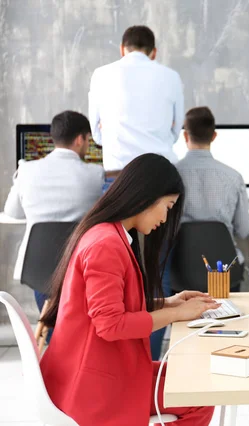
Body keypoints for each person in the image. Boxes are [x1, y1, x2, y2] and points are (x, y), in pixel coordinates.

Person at [39, 154, 217, 426]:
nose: (165, 217)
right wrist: (177, 315)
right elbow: (110, 324)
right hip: (94, 386)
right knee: (200, 393)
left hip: (96, 372)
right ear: (147, 196)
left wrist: (168, 303)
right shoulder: (106, 245)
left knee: (196, 378)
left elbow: (114, 306)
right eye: (168, 206)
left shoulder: (108, 235)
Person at [3, 110, 104, 312]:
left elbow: (12, 212)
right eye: (87, 140)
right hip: (78, 266)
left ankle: (52, 336)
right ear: (79, 139)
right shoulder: (96, 174)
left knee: (46, 283)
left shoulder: (26, 170)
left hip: (37, 268)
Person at [88, 25, 184, 181]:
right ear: (154, 52)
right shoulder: (172, 77)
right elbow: (175, 131)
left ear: (121, 49)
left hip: (118, 174)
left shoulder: (101, 75)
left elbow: (96, 134)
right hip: (161, 172)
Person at [175, 106, 249, 287]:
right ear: (214, 136)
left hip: (181, 271)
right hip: (224, 274)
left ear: (185, 136)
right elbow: (244, 230)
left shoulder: (171, 174)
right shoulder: (234, 177)